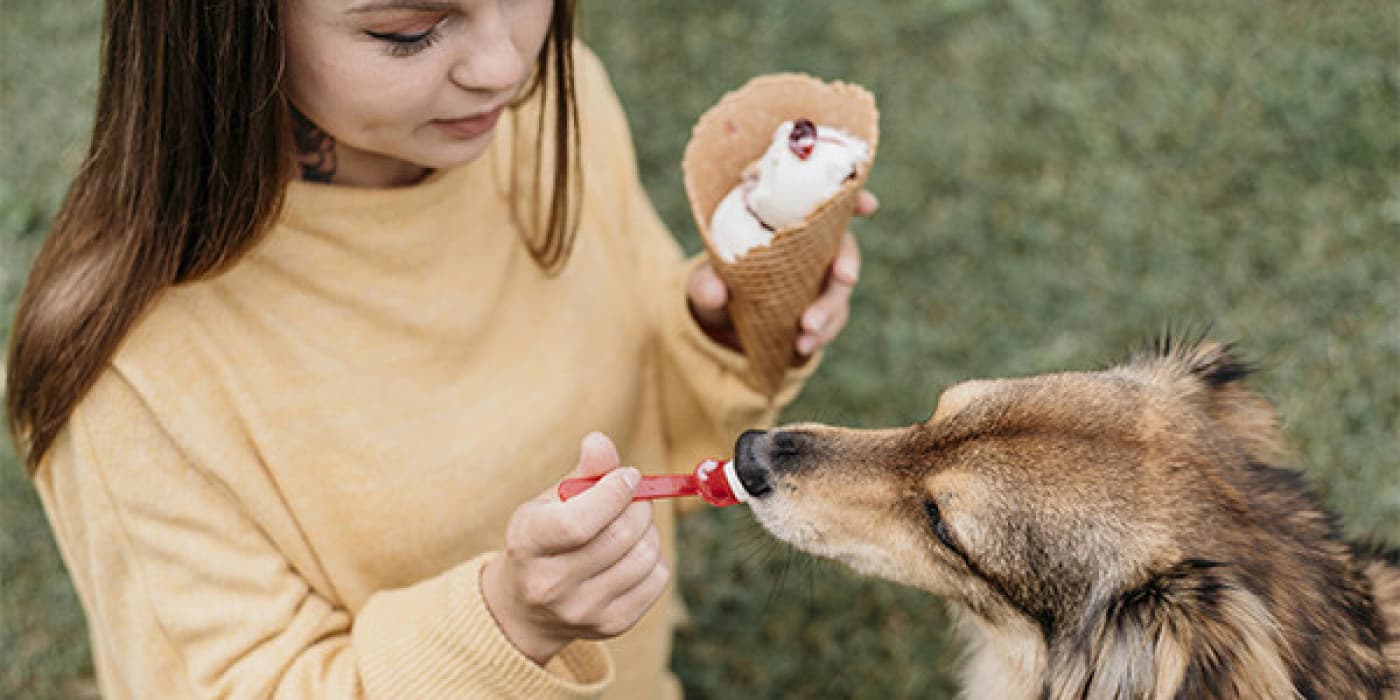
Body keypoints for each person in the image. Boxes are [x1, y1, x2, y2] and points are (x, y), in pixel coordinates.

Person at [5, 0, 875, 697]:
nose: (504, 64)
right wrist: (511, 626)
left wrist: (721, 328)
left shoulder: (545, 108)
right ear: (230, 25)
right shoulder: (127, 369)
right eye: (410, 30)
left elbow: (648, 416)